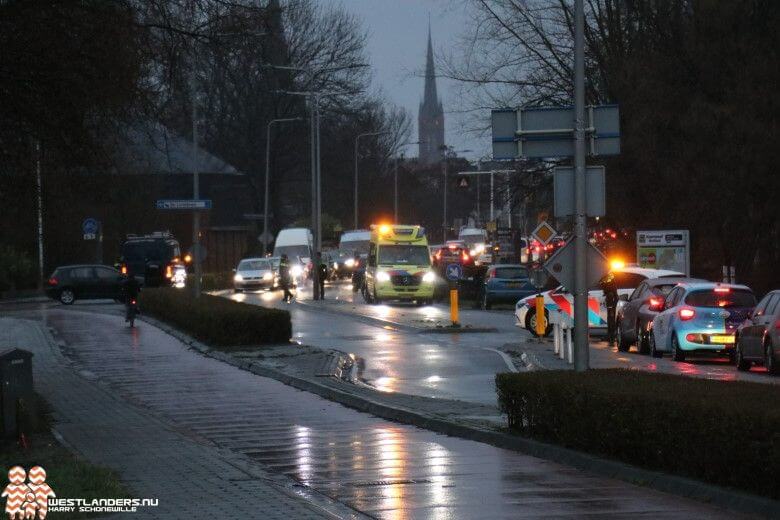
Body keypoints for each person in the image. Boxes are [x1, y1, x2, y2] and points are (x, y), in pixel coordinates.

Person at [601, 273, 619, 346]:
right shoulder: (610, 292)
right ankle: (610, 336)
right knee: (610, 321)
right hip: (611, 307)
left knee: (611, 321)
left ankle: (611, 337)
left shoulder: (610, 294)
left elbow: (616, 298)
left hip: (611, 307)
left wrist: (611, 308)